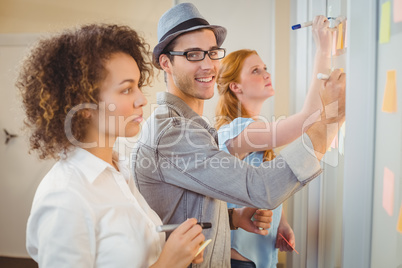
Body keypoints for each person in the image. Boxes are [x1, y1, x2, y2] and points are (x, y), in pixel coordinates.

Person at [132, 3, 345, 268]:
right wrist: (331, 121)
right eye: (194, 54)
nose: (208, 64)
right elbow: (260, 188)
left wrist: (232, 218)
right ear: (166, 62)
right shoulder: (174, 132)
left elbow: (187, 205)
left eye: (212, 53)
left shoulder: (192, 126)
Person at [18, 24, 207, 268]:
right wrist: (168, 264)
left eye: (138, 86)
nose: (141, 99)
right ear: (83, 104)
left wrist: (179, 253)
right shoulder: (65, 196)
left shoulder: (120, 171)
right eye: (127, 89)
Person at [214, 16, 332, 268]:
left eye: (265, 67)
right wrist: (324, 49)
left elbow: (267, 184)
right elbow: (307, 121)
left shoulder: (253, 129)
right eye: (255, 70)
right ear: (235, 86)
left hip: (260, 258)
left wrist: (282, 224)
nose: (266, 74)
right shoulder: (237, 132)